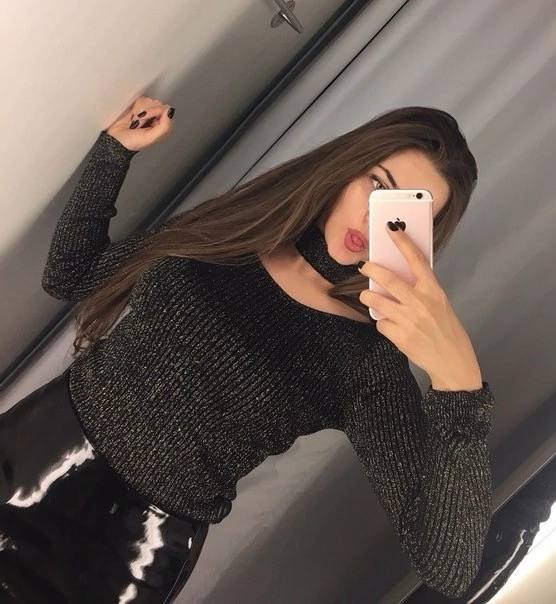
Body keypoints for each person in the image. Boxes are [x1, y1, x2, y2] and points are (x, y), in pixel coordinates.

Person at [0, 95, 497, 602]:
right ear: (347, 164)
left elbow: (449, 567)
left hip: (123, 557)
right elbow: (71, 274)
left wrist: (460, 388)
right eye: (378, 185)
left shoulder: (364, 359)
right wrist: (115, 153)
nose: (374, 221)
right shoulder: (238, 226)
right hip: (32, 454)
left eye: (400, 215)